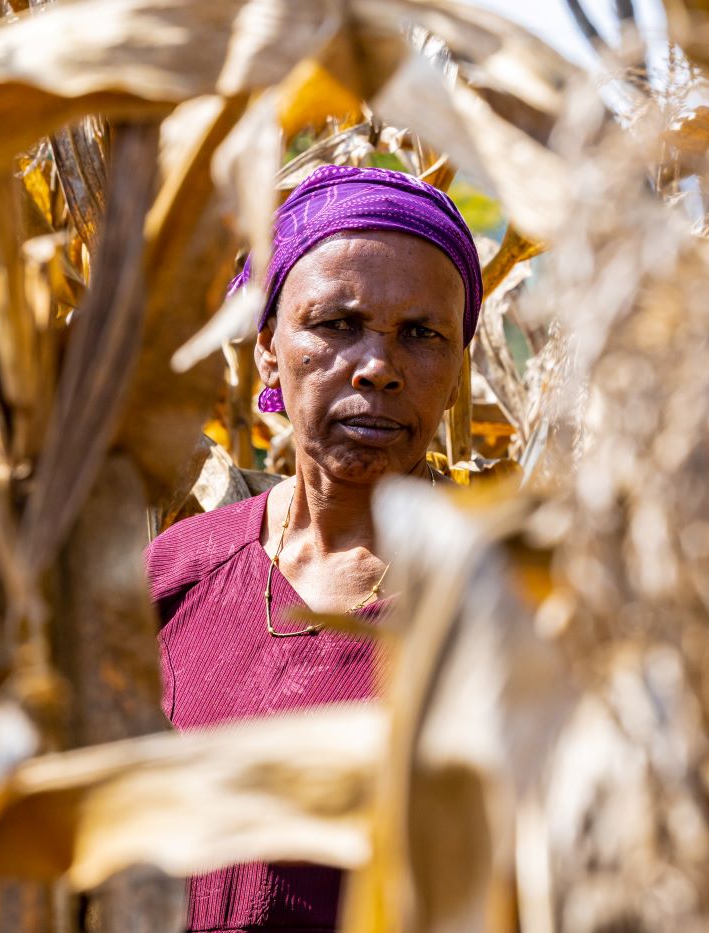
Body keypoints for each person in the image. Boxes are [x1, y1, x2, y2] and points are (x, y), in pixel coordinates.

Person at [145, 164, 484, 933]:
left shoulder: (502, 604)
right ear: (268, 348)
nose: (377, 366)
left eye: (422, 334)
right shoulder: (174, 574)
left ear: (457, 368)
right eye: (336, 324)